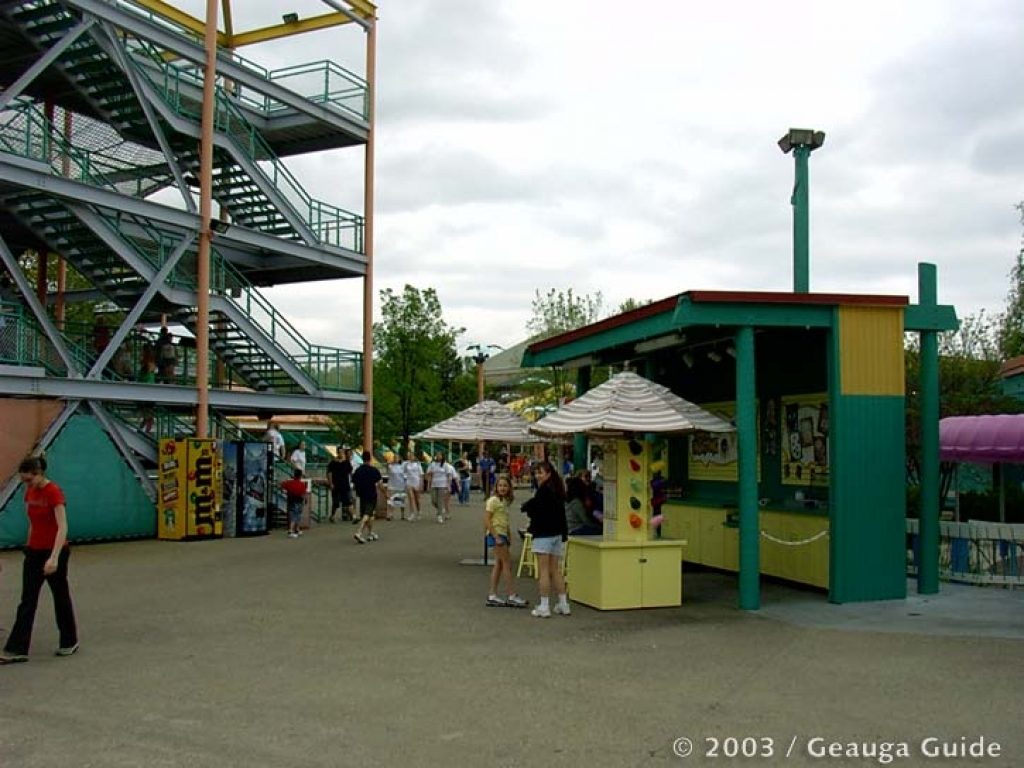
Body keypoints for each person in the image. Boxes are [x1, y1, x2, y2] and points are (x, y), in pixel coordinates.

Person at [1, 456, 79, 663]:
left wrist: (54, 558)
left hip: (54, 552)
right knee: (27, 600)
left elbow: (62, 527)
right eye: (24, 481)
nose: (27, 484)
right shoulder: (30, 492)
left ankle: (69, 641)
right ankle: (17, 648)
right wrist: (28, 546)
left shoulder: (53, 492)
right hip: (34, 551)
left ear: (38, 474)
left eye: (29, 480)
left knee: (60, 596)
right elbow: (34, 523)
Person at [521, 460, 570, 618]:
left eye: (540, 472)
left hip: (543, 534)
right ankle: (563, 603)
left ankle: (544, 605)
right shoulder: (557, 489)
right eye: (536, 472)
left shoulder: (543, 491)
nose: (537, 475)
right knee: (555, 569)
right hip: (556, 534)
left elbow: (535, 509)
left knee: (543, 570)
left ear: (548, 474)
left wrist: (528, 508)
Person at [484, 474, 528, 608]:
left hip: (503, 533)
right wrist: (496, 536)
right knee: (506, 563)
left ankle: (492, 595)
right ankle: (511, 595)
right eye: (500, 485)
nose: (502, 488)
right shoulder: (493, 501)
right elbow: (487, 519)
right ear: (496, 487)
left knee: (499, 564)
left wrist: (508, 534)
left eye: (505, 486)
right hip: (496, 533)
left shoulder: (505, 502)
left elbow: (505, 520)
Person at [352, 451, 383, 544]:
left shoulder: (358, 470)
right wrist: (386, 493)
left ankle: (370, 533)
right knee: (368, 513)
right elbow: (380, 483)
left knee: (370, 514)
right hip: (371, 494)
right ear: (370, 458)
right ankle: (359, 532)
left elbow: (354, 481)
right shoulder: (374, 470)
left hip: (362, 494)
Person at [426, 451, 456, 524]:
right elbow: (428, 474)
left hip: (442, 484)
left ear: (442, 456)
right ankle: (441, 508)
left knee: (440, 500)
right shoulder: (432, 464)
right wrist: (428, 484)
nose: (438, 456)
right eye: (437, 455)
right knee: (433, 500)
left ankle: (439, 516)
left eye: (440, 455)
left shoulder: (445, 465)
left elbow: (449, 475)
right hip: (434, 484)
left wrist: (448, 485)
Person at [327, 446, 353, 523]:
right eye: (339, 452)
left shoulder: (346, 462)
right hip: (336, 485)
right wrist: (331, 483)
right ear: (337, 452)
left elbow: (350, 472)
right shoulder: (333, 463)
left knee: (348, 501)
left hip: (345, 484)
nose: (341, 453)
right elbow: (329, 473)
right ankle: (332, 516)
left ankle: (352, 516)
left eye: (342, 452)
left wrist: (352, 481)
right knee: (336, 502)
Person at [279, 468, 307, 539]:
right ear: (300, 476)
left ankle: (296, 530)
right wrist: (305, 500)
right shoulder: (302, 484)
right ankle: (291, 530)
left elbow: (281, 485)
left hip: (290, 500)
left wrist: (283, 491)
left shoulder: (289, 483)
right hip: (298, 501)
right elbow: (303, 494)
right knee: (297, 515)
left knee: (293, 515)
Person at [402, 451, 423, 521]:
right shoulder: (406, 464)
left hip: (416, 482)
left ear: (414, 457)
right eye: (409, 456)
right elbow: (403, 471)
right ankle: (412, 513)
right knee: (411, 498)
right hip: (409, 482)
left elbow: (421, 475)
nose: (410, 457)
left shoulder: (418, 464)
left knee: (417, 499)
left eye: (411, 456)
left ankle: (419, 511)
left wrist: (421, 484)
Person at [385, 454, 406, 520]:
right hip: (392, 485)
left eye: (397, 458)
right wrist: (390, 462)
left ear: (400, 459)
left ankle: (402, 515)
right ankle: (390, 514)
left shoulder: (402, 466)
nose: (396, 459)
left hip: (401, 485)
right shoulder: (391, 466)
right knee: (391, 501)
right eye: (395, 458)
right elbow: (387, 466)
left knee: (401, 500)